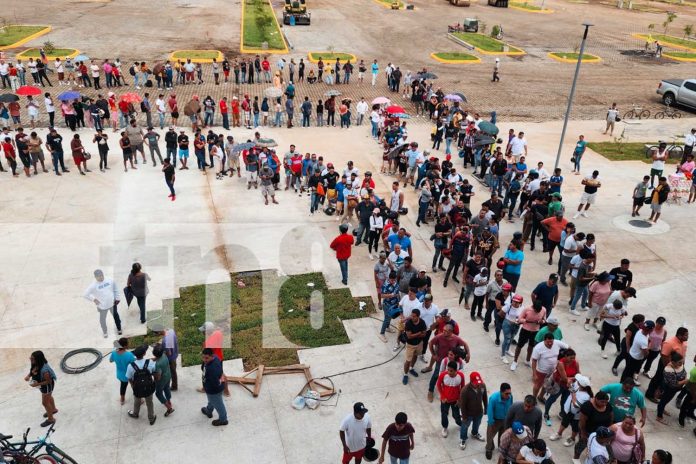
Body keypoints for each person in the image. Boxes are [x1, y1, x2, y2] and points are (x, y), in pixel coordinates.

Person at [549, 374, 593, 446]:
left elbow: (576, 405)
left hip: (576, 415)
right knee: (564, 422)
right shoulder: (578, 385)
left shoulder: (586, 396)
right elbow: (569, 384)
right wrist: (569, 381)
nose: (577, 381)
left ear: (581, 385)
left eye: (578, 381)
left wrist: (572, 392)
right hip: (568, 410)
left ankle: (572, 438)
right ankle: (559, 434)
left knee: (575, 428)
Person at [83, 269, 122, 337]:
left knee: (116, 317)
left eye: (101, 275)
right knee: (102, 320)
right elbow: (85, 294)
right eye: (99, 276)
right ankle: (105, 332)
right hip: (102, 306)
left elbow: (115, 289)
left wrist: (117, 298)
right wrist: (94, 299)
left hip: (112, 304)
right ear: (95, 277)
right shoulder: (93, 285)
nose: (101, 277)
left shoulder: (110, 280)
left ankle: (119, 329)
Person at [531, 333, 569, 400]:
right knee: (538, 385)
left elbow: (568, 347)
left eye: (551, 341)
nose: (550, 343)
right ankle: (533, 399)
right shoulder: (538, 348)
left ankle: (541, 396)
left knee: (547, 384)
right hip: (541, 371)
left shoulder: (557, 343)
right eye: (548, 342)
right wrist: (534, 374)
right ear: (544, 340)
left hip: (552, 370)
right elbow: (534, 361)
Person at [24, 351, 58, 427]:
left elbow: (48, 381)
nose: (30, 359)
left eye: (32, 358)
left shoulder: (44, 370)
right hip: (42, 386)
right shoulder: (36, 364)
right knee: (49, 397)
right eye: (31, 357)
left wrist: (37, 384)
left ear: (37, 359)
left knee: (45, 403)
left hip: (47, 386)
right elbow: (33, 371)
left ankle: (51, 419)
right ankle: (53, 409)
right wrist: (28, 376)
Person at [576, 391, 613, 459]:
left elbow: (611, 416)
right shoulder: (587, 406)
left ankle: (591, 454)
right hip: (588, 431)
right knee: (582, 444)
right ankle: (576, 457)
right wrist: (583, 433)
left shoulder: (608, 405)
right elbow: (582, 422)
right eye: (602, 402)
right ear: (596, 399)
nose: (604, 404)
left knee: (597, 447)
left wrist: (610, 428)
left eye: (606, 402)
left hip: (602, 433)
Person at [126, 345, 157, 425]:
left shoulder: (131, 366)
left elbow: (129, 378)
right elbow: (154, 372)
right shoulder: (150, 362)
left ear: (135, 355)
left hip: (137, 388)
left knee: (137, 402)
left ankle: (135, 414)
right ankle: (151, 418)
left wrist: (133, 386)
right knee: (149, 403)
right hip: (149, 388)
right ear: (144, 353)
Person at [511, 301, 546, 371]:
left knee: (531, 346)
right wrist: (526, 321)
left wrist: (541, 322)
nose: (537, 312)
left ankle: (527, 360)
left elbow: (544, 319)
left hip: (535, 331)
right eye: (536, 311)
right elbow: (519, 319)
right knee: (519, 346)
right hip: (525, 330)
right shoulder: (527, 309)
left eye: (539, 311)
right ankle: (515, 361)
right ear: (533, 307)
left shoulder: (543, 309)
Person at [457, 371, 487, 450]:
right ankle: (463, 438)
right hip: (468, 413)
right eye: (476, 383)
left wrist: (486, 408)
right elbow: (462, 405)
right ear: (471, 381)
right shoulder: (465, 391)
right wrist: (464, 416)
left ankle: (474, 433)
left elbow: (485, 397)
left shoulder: (482, 386)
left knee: (477, 424)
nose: (478, 384)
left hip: (479, 411)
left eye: (479, 382)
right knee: (465, 426)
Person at [656, 352, 688, 424]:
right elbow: (674, 383)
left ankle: (662, 408)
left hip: (676, 388)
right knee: (663, 400)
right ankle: (659, 416)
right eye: (679, 362)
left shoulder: (680, 365)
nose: (681, 364)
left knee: (668, 399)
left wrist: (684, 379)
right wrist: (685, 381)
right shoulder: (668, 370)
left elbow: (684, 372)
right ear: (673, 362)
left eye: (682, 362)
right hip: (670, 388)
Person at [200, 347, 228, 426]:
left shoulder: (212, 369)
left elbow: (216, 384)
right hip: (209, 389)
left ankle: (223, 419)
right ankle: (209, 411)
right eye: (203, 357)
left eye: (206, 358)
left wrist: (221, 384)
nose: (204, 360)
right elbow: (204, 367)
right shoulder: (215, 358)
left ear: (212, 356)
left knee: (219, 405)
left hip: (214, 391)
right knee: (211, 400)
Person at [485, 382, 513, 460]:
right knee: (490, 436)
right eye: (506, 393)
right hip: (495, 421)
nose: (508, 395)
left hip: (505, 420)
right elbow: (490, 411)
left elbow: (511, 406)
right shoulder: (493, 398)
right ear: (501, 392)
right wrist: (491, 422)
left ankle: (501, 448)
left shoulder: (510, 397)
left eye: (509, 393)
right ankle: (489, 449)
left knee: (503, 436)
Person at [402, 308, 427, 385]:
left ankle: (411, 368)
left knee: (415, 356)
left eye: (414, 316)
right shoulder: (408, 323)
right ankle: (405, 374)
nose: (412, 318)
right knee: (408, 360)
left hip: (419, 343)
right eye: (411, 316)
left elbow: (424, 334)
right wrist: (419, 333)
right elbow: (409, 336)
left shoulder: (422, 322)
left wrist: (415, 334)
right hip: (410, 345)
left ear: (418, 316)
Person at [109, 337, 135, 405]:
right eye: (127, 344)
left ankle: (122, 400)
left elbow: (110, 360)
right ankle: (138, 399)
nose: (128, 345)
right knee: (134, 385)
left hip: (120, 375)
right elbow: (134, 364)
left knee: (123, 386)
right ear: (124, 346)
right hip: (129, 375)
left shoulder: (114, 353)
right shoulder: (129, 355)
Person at [152, 344, 174, 417]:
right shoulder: (164, 355)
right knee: (167, 388)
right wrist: (153, 359)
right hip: (168, 376)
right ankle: (169, 401)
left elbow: (158, 376)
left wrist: (153, 376)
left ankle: (169, 408)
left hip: (161, 380)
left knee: (158, 393)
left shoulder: (158, 364)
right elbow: (159, 357)